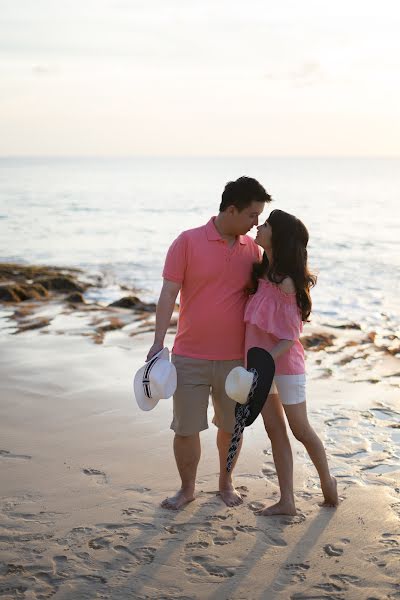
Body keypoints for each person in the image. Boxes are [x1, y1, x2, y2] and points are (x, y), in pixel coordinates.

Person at [146, 176, 272, 510]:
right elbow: (168, 294)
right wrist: (158, 342)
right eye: (251, 215)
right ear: (231, 210)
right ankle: (187, 489)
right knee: (186, 428)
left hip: (236, 360)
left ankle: (224, 482)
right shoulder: (186, 242)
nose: (256, 223)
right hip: (189, 356)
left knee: (232, 428)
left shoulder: (254, 251)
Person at [244, 209, 338, 515]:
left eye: (267, 224)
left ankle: (328, 483)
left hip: (284, 366)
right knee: (275, 431)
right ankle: (287, 501)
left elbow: (289, 335)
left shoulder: (286, 282)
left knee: (300, 429)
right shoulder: (260, 273)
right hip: (261, 366)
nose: (260, 226)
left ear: (278, 236)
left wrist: (265, 361)